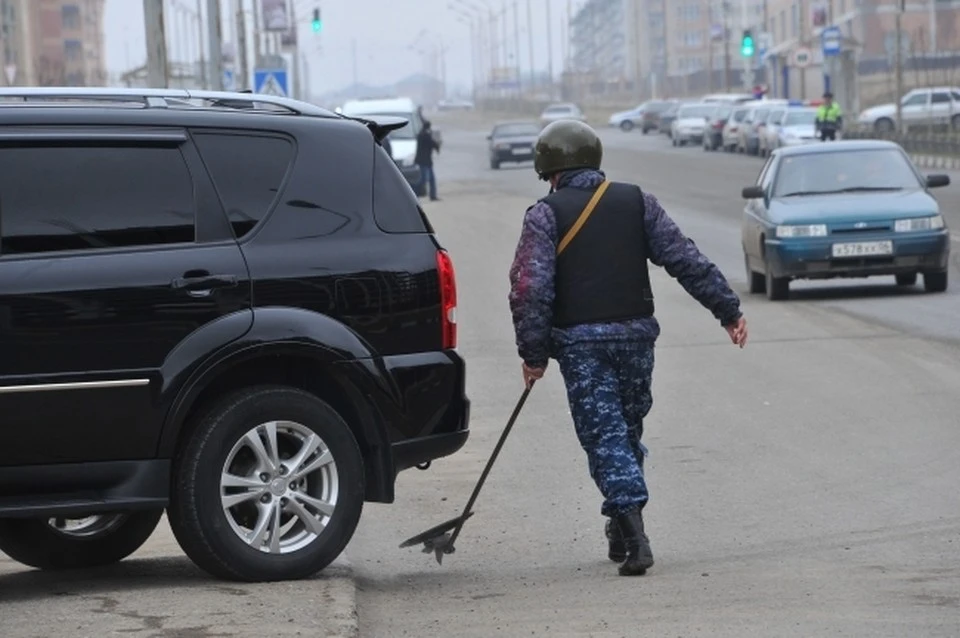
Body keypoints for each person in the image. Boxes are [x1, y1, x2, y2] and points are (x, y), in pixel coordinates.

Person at [507, 120, 748, 577]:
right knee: (624, 432)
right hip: (637, 340)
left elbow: (530, 290)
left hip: (582, 345)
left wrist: (533, 354)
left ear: (549, 171)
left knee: (607, 437)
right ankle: (621, 525)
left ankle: (635, 538)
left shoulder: (544, 215)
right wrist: (727, 309)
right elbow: (685, 258)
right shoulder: (637, 202)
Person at [415, 120, 441, 201]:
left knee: (428, 179)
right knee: (424, 179)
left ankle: (432, 195)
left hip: (425, 161)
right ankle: (415, 193)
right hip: (425, 161)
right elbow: (432, 143)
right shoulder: (425, 135)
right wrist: (437, 146)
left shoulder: (421, 134)